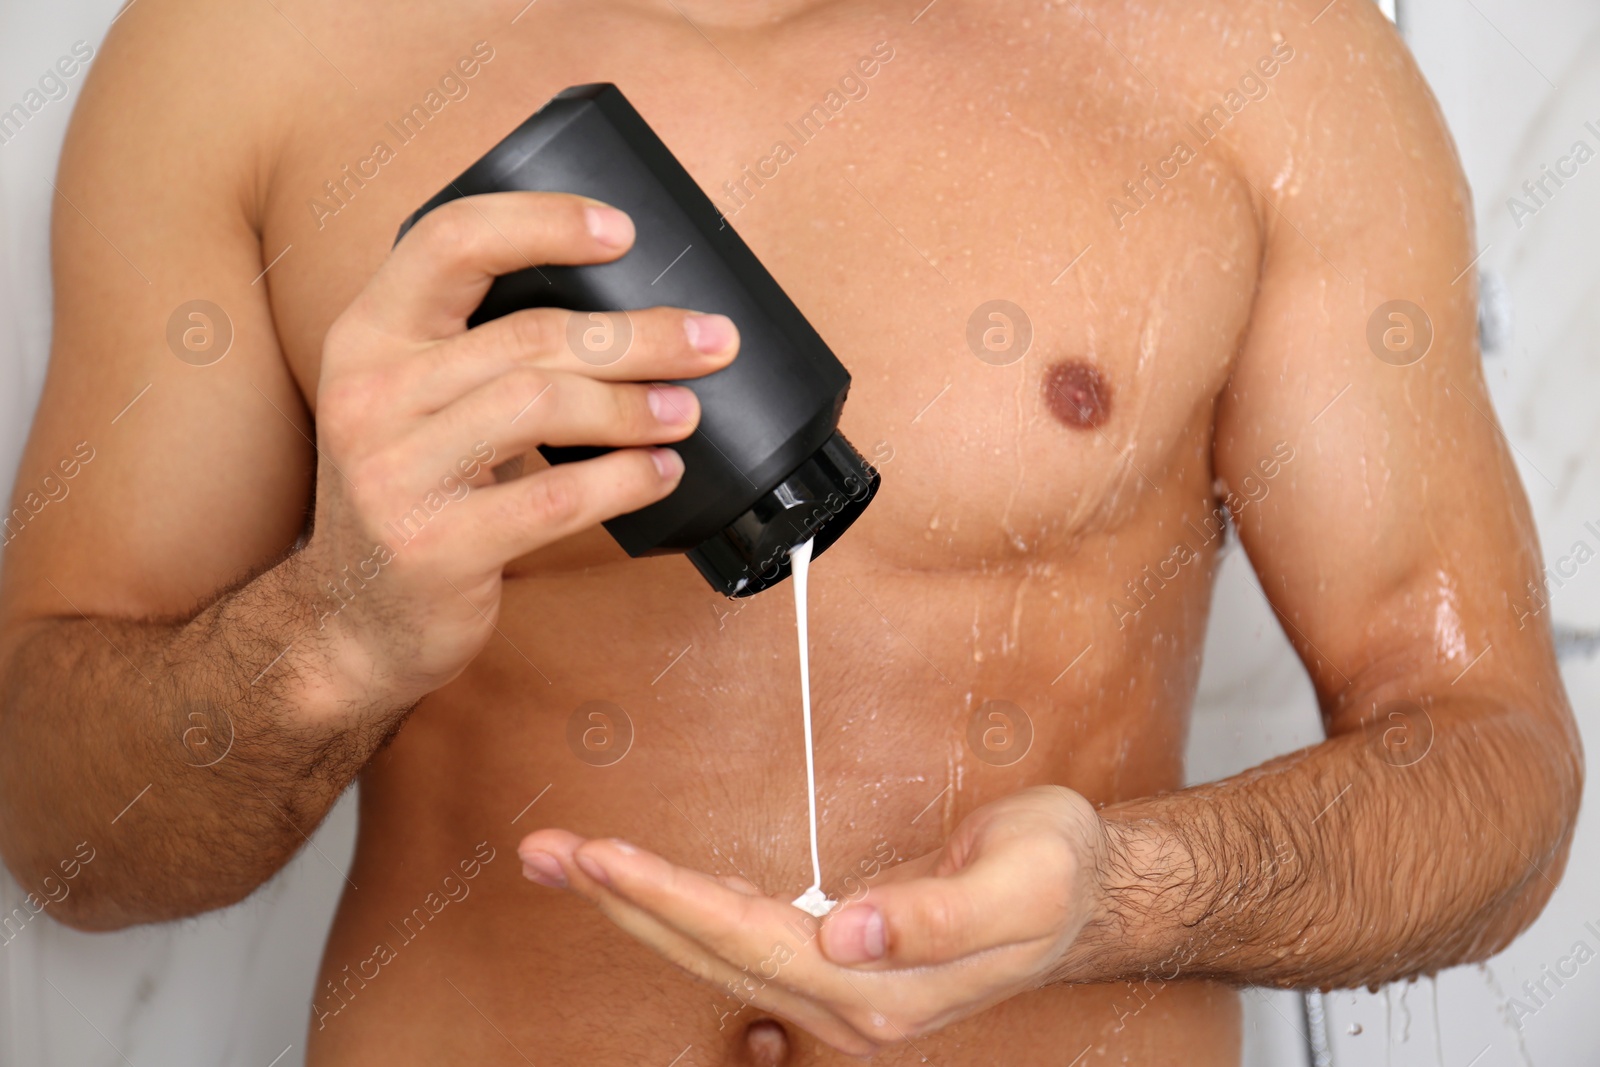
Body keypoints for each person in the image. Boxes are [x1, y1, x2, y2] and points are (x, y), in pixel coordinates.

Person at [0, 0, 1580, 1063]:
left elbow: (1493, 767)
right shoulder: (257, 48)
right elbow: (55, 826)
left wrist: (1125, 896)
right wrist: (332, 640)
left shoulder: (1252, 50)